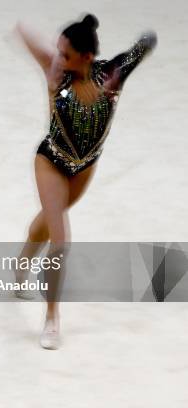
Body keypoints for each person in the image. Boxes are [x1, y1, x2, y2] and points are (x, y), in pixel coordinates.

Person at [12, 13, 158, 349]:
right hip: (51, 161)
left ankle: (20, 264)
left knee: (46, 225)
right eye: (58, 52)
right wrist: (51, 55)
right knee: (60, 240)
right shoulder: (57, 72)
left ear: (87, 57)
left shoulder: (112, 75)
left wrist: (146, 43)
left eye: (66, 54)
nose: (58, 59)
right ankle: (51, 318)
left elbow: (140, 49)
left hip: (84, 170)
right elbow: (24, 28)